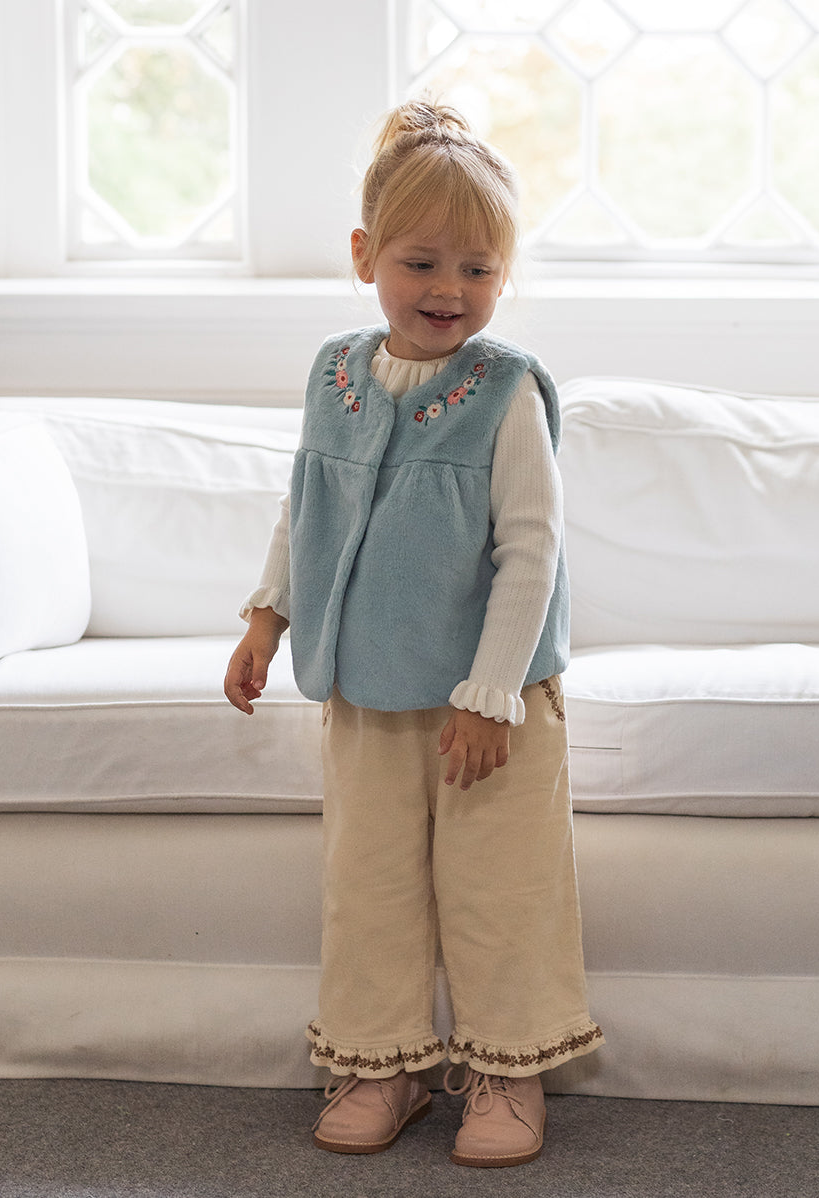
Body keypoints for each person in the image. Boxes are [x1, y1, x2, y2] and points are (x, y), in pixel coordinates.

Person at [224, 99, 602, 1169]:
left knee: (499, 890)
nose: (449, 290)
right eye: (422, 263)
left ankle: (507, 1069)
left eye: (478, 269)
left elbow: (532, 551)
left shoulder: (507, 391)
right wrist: (267, 615)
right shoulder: (332, 376)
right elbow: (305, 507)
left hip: (491, 705)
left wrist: (491, 694)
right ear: (365, 257)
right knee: (372, 885)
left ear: (503, 276)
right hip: (367, 691)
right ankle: (379, 1061)